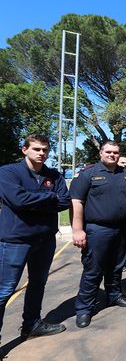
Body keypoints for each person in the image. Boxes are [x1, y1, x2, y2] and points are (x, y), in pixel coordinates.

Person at [0, 134, 71, 342]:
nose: (42, 153)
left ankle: (31, 325)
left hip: (45, 239)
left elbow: (64, 201)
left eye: (45, 150)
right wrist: (49, 197)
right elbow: (17, 200)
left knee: (38, 283)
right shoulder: (8, 172)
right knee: (4, 290)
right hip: (15, 240)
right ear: (25, 150)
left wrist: (35, 201)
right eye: (37, 149)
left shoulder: (54, 175)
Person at [70, 140, 126, 328]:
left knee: (117, 266)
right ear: (101, 153)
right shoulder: (88, 174)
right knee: (93, 269)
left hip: (121, 229)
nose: (112, 155)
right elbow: (76, 202)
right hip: (97, 229)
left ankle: (113, 295)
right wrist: (77, 230)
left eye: (116, 152)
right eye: (108, 151)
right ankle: (84, 309)